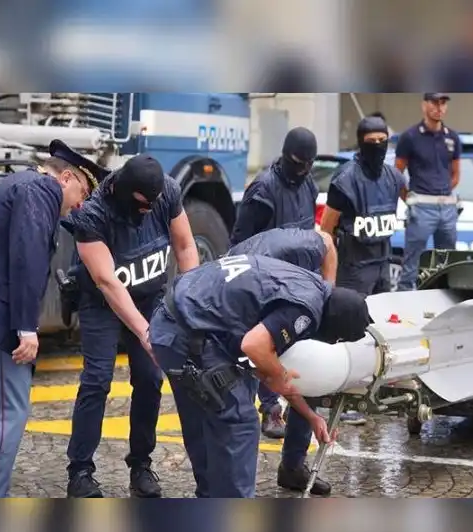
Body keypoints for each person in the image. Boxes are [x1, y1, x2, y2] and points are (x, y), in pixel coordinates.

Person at [149, 255, 370, 498]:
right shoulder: (305, 310)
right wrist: (279, 374)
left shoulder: (312, 284)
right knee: (239, 424)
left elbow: (267, 367)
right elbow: (255, 348)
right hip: (191, 332)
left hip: (173, 319)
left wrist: (310, 416)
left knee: (204, 419)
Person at [0, 139, 106, 498]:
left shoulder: (15, 184)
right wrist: (27, 327)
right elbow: (27, 256)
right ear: (66, 177)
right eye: (82, 192)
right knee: (4, 420)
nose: (81, 204)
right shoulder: (41, 189)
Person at [62, 154, 200, 498]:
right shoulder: (93, 214)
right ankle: (80, 471)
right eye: (143, 204)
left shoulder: (166, 191)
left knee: (151, 379)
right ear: (126, 192)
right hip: (102, 303)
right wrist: (146, 332)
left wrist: (192, 301)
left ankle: (141, 465)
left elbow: (184, 245)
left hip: (150, 296)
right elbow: (107, 282)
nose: (149, 210)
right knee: (96, 380)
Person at [227, 228, 338, 495]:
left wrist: (329, 290)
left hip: (283, 299)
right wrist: (278, 373)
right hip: (240, 312)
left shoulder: (310, 249)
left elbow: (328, 243)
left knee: (309, 368)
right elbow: (261, 361)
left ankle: (293, 466)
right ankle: (229, 487)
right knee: (240, 411)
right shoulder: (255, 270)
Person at [230, 127, 320, 439]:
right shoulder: (264, 190)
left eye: (309, 164)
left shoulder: (308, 185)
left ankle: (300, 410)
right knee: (267, 345)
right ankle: (270, 409)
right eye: (297, 163)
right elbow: (241, 240)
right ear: (284, 156)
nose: (303, 170)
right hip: (266, 280)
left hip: (300, 279)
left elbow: (309, 230)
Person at [318, 115, 408, 426]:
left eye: (383, 141)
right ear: (361, 143)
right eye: (371, 143)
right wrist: (328, 272)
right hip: (353, 267)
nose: (378, 147)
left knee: (380, 329)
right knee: (348, 333)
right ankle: (341, 396)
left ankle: (375, 389)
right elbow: (326, 229)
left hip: (382, 263)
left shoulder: (394, 178)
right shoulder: (345, 181)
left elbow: (399, 204)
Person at [395, 93, 461, 292]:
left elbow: (456, 174)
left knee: (448, 263)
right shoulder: (410, 137)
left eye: (443, 103)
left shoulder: (452, 137)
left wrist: (444, 191)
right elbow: (397, 172)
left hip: (447, 206)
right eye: (434, 102)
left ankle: (445, 304)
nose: (439, 107)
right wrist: (408, 197)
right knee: (411, 265)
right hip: (421, 207)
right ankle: (403, 308)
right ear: (424, 105)